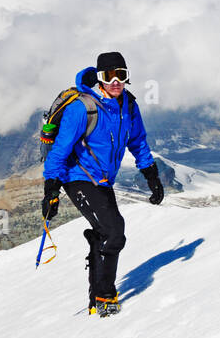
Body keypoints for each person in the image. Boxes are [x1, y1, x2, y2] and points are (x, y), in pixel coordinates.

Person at [41, 51, 164, 315]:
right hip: (77, 177)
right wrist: (50, 189)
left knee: (106, 232)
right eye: (110, 76)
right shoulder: (81, 108)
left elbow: (138, 141)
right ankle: (105, 297)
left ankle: (95, 301)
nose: (116, 81)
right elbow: (60, 151)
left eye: (122, 75)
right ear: (100, 78)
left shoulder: (128, 106)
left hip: (103, 180)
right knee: (114, 231)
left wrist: (151, 176)